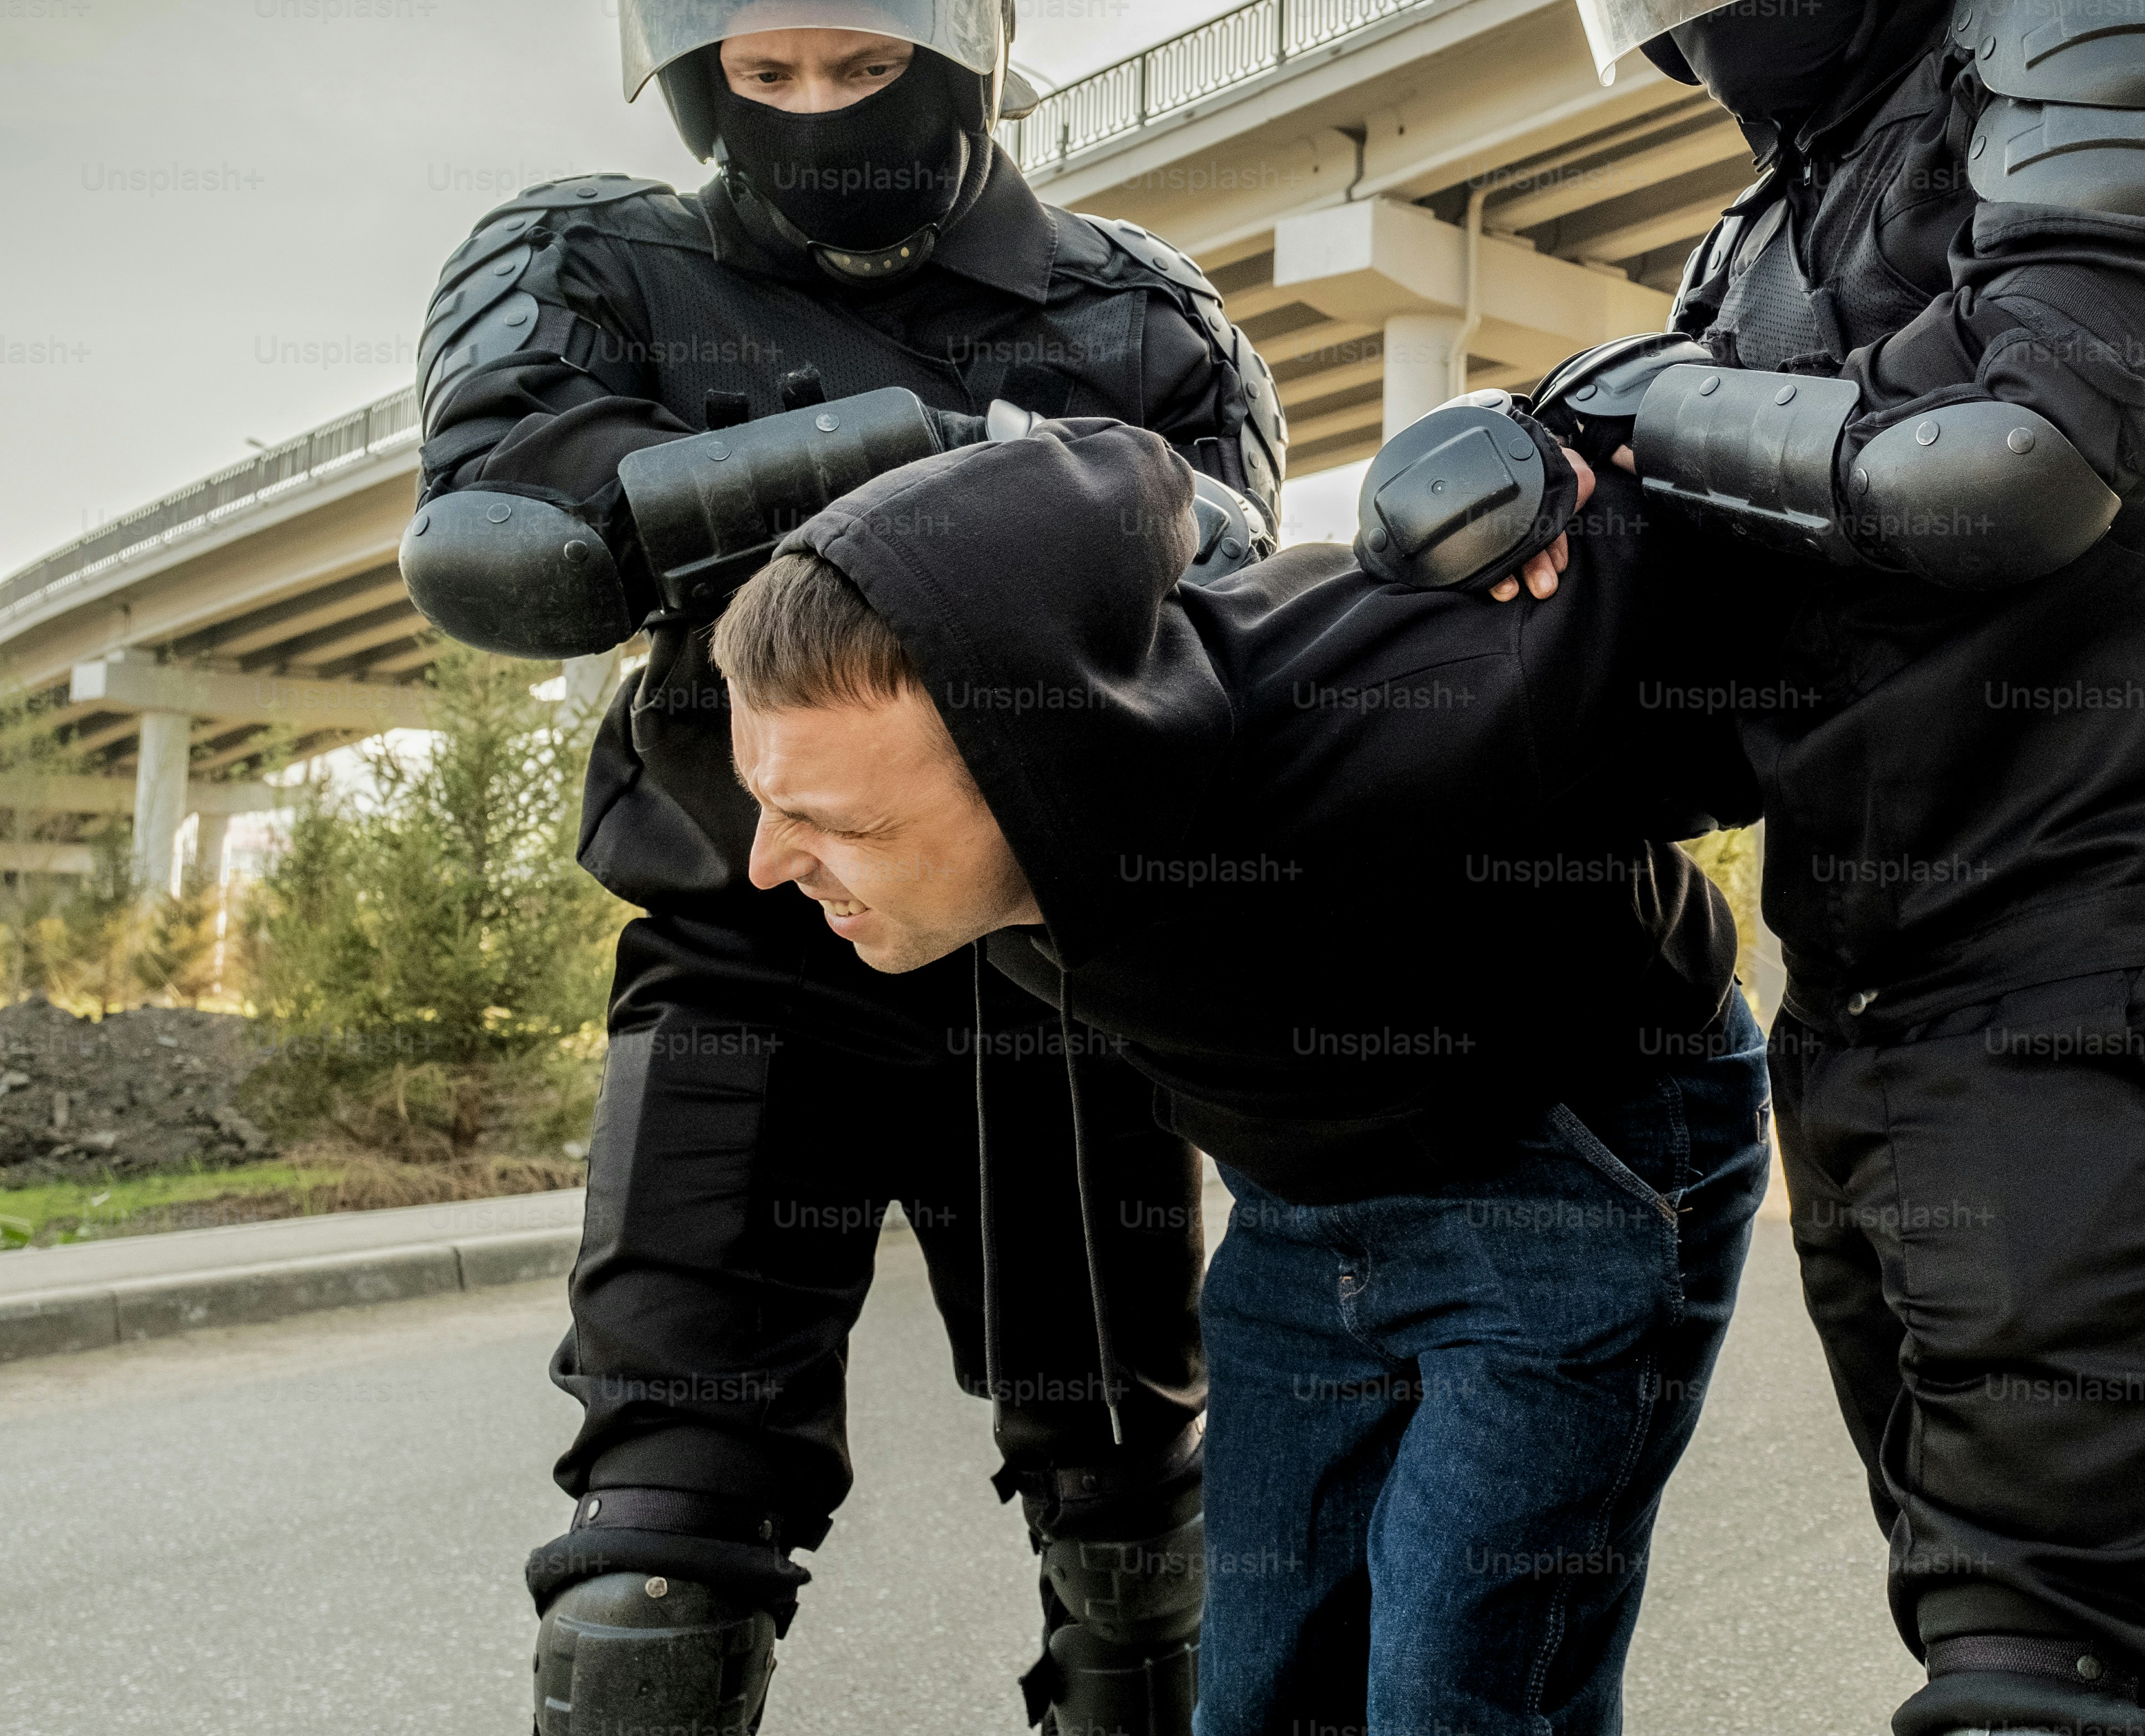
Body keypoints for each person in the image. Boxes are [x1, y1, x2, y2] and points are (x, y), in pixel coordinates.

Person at [1422, 0, 2145, 1736]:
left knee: (2061, 1675)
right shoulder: (1752, 238)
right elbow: (1744, 659)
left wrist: (1633, 410)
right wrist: (1470, 586)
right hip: (1864, 990)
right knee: (1985, 1620)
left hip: (2119, 955)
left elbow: (2023, 464)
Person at [398, 0, 1281, 1736]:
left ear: (957, 26)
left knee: (1140, 1528)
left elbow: (1233, 591)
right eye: (767, 72)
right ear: (692, 53)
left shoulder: (1142, 311)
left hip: (1059, 971)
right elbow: (508, 548)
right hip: (747, 942)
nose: (810, 107)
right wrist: (900, 458)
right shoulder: (597, 266)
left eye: (853, 64)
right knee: (655, 1551)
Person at [712, 409, 1764, 1735]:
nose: (767, 861)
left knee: (1457, 1692)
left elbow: (1726, 558)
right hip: (1300, 1199)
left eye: (831, 823)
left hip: (1573, 1151)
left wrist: (1568, 445)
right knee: (1259, 1689)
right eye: (767, 797)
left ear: (1038, 762)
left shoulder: (1385, 710)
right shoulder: (942, 834)